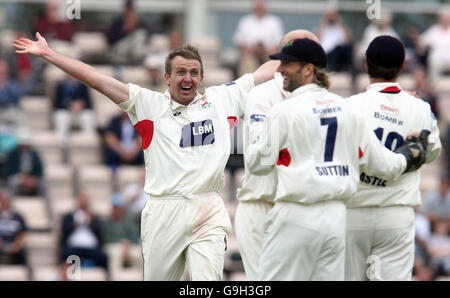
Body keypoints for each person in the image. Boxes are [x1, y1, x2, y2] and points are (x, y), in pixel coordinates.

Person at [13, 29, 277, 280]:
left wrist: (295, 56)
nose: (188, 78)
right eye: (181, 72)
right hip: (164, 211)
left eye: (194, 73)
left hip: (207, 207)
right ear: (167, 77)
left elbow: (262, 75)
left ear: (202, 77)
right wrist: (50, 54)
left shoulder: (221, 100)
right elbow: (96, 78)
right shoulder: (149, 104)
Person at [246, 38, 429, 280]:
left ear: (309, 69)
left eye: (287, 64)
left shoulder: (284, 110)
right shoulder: (348, 109)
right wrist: (408, 155)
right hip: (335, 220)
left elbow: (257, 165)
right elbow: (384, 164)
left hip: (297, 213)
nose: (280, 70)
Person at [344, 36, 442, 281]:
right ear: (402, 66)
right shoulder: (420, 108)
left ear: (366, 63)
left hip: (353, 210)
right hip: (396, 213)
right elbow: (432, 153)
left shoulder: (349, 106)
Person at [235, 29, 320, 281]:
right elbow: (260, 157)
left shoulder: (322, 100)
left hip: (300, 208)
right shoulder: (262, 97)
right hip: (262, 206)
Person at [233, 0, 284, 76]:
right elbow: (237, 40)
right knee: (247, 62)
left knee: (274, 62)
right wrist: (246, 48)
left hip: (268, 53)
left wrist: (271, 50)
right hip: (251, 54)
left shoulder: (274, 21)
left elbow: (280, 41)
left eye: (261, 7)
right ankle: (248, 86)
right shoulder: (245, 21)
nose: (259, 9)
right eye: (257, 7)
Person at [60, 191, 107, 269]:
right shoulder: (69, 216)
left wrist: (91, 221)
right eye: (82, 201)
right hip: (74, 247)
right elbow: (64, 231)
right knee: (68, 255)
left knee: (103, 257)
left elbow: (100, 233)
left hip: (91, 247)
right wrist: (75, 224)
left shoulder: (94, 217)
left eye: (85, 201)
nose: (84, 203)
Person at [101, 194, 142, 278]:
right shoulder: (106, 222)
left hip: (129, 246)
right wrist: (121, 244)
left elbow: (134, 236)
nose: (116, 210)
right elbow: (106, 238)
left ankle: (142, 278)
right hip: (113, 246)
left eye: (118, 207)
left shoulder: (128, 221)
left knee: (139, 254)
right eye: (115, 207)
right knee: (115, 255)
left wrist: (127, 243)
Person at [52, 75, 96, 143]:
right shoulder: (60, 85)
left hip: (80, 112)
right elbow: (56, 104)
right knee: (61, 116)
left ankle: (88, 142)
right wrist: (69, 105)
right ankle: (61, 143)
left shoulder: (83, 86)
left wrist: (81, 105)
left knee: (87, 116)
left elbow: (89, 103)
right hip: (66, 112)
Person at [106, 0, 148, 64]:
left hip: (134, 51)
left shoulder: (139, 22)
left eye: (130, 8)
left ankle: (137, 60)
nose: (129, 10)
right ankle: (136, 60)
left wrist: (135, 27)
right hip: (118, 49)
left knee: (140, 34)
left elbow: (148, 36)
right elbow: (110, 39)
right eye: (127, 8)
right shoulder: (118, 21)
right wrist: (125, 30)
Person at [5, 128, 44, 196]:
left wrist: (33, 179)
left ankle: (47, 206)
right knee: (12, 184)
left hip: (31, 178)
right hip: (17, 177)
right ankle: (11, 204)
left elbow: (39, 169)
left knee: (43, 185)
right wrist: (22, 179)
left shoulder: (33, 154)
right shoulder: (12, 154)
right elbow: (9, 170)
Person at [419, 10, 450, 89]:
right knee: (434, 61)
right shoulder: (434, 30)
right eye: (443, 19)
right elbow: (423, 40)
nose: (445, 21)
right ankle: (432, 88)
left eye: (447, 19)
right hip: (437, 56)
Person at [0, 190, 28, 265]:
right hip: (1, 244)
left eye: (5, 200)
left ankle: (23, 271)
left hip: (15, 246)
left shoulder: (18, 217)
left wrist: (16, 245)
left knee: (21, 253)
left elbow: (23, 233)